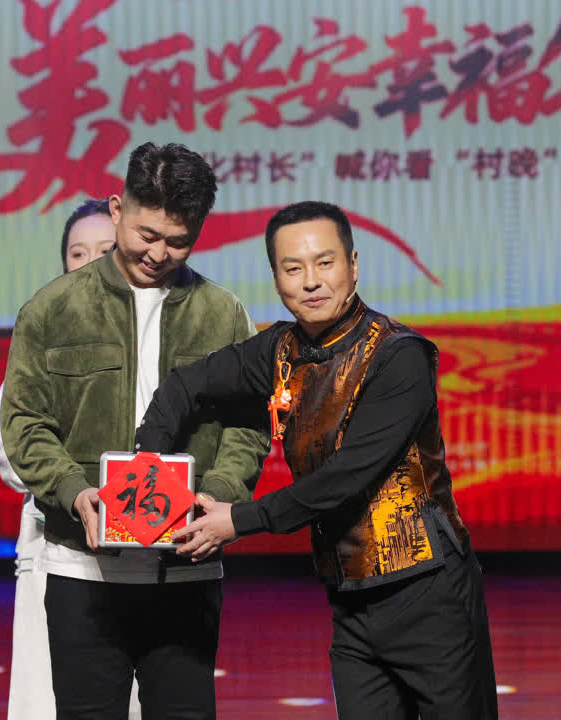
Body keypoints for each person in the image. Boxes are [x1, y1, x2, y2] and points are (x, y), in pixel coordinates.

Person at [136, 201, 498, 719]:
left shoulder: (399, 355)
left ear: (353, 264)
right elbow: (184, 386)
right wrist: (148, 468)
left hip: (429, 590)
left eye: (325, 263)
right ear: (276, 278)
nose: (311, 281)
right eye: (293, 268)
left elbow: (345, 478)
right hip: (350, 602)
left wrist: (238, 520)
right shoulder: (279, 350)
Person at [0, 142, 269, 720]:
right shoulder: (52, 309)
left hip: (186, 572)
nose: (159, 253)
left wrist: (219, 494)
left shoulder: (222, 313)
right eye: (147, 234)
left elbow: (248, 426)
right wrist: (75, 492)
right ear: (117, 210)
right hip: (81, 567)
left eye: (179, 241)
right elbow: (24, 423)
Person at [0, 198, 140, 720]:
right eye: (78, 253)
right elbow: (9, 446)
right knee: (56, 700)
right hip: (56, 549)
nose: (91, 262)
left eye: (105, 249)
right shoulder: (42, 337)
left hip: (144, 551)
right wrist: (70, 483)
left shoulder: (159, 337)